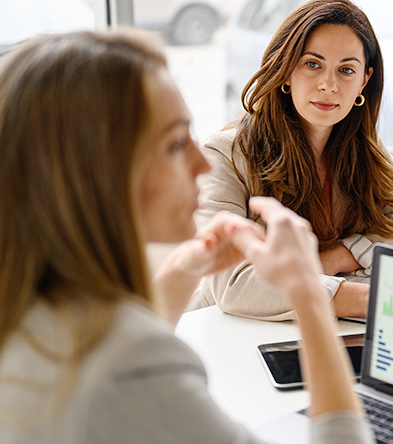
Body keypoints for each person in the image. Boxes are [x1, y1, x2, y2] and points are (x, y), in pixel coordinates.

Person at [0, 31, 372, 443]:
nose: (202, 164)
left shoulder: (35, 320)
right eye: (177, 144)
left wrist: (183, 271)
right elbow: (127, 362)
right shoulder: (127, 364)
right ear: (97, 173)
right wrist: (307, 295)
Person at [194, 0, 393, 321]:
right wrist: (368, 298)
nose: (328, 85)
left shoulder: (364, 147)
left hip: (328, 331)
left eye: (346, 70)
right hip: (236, 334)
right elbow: (233, 284)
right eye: (312, 64)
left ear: (364, 81)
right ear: (286, 69)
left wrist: (338, 257)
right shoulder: (225, 154)